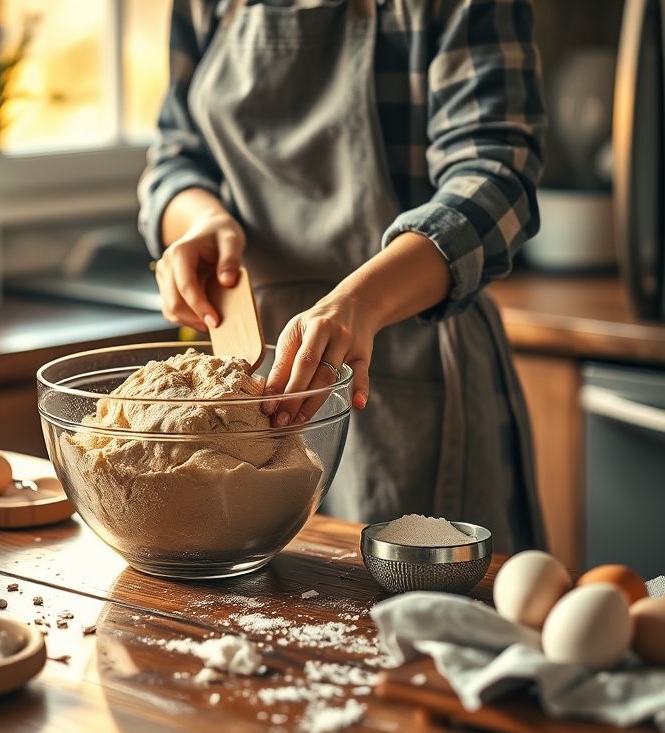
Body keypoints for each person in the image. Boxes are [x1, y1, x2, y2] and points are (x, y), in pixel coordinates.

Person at [138, 0, 546, 553]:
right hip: (243, 374)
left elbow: (498, 179)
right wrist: (200, 221)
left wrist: (364, 301)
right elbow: (174, 157)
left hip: (410, 367)